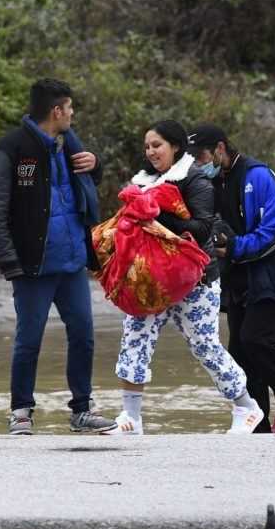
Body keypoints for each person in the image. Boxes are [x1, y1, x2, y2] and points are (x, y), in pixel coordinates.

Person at [103, 120, 264, 435]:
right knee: (135, 337)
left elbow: (203, 227)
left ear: (175, 146)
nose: (151, 151)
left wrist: (157, 218)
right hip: (151, 278)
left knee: (204, 345)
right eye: (147, 146)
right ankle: (131, 418)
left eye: (157, 145)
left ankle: (247, 407)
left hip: (195, 279)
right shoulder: (142, 182)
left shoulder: (195, 181)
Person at [0, 78, 116, 435]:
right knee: (29, 340)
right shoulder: (11, 149)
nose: (72, 115)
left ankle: (82, 410)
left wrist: (95, 165)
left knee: (84, 335)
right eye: (69, 108)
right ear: (56, 111)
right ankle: (21, 411)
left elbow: (84, 191)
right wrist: (10, 262)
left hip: (71, 263)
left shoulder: (69, 147)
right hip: (33, 266)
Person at [187, 124, 275, 433]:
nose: (198, 164)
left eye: (201, 157)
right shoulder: (210, 184)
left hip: (271, 274)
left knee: (255, 339)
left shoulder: (259, 175)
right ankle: (257, 424)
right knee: (241, 352)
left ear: (219, 148)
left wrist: (234, 248)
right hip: (238, 277)